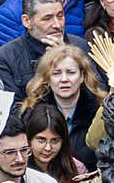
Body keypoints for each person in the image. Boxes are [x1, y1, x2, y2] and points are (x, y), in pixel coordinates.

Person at [0, 0, 89, 104]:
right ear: (27, 21)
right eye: (47, 18)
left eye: (60, 16)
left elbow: (96, 94)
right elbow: (12, 109)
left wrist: (69, 58)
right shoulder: (6, 56)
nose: (57, 25)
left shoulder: (80, 46)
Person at [20, 42, 105, 170]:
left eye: (71, 72)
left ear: (82, 76)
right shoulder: (31, 114)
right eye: (56, 73)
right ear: (48, 78)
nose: (64, 79)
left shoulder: (99, 111)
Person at [24, 103, 86, 183]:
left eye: (54, 140)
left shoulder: (77, 169)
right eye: (41, 140)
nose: (48, 148)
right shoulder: (19, 169)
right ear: (29, 139)